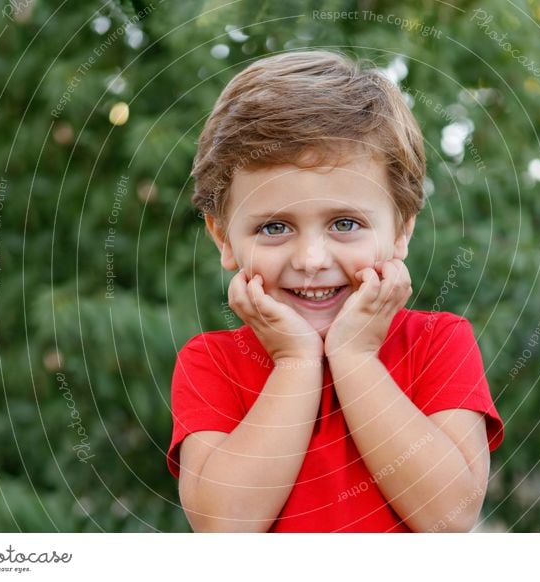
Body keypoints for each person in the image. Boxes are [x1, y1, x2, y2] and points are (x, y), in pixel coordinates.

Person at [166, 49, 503, 532]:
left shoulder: (436, 344)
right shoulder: (212, 362)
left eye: (345, 223)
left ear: (401, 230)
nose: (311, 260)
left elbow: (448, 517)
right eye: (274, 227)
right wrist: (296, 362)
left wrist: (356, 356)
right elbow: (225, 528)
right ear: (223, 237)